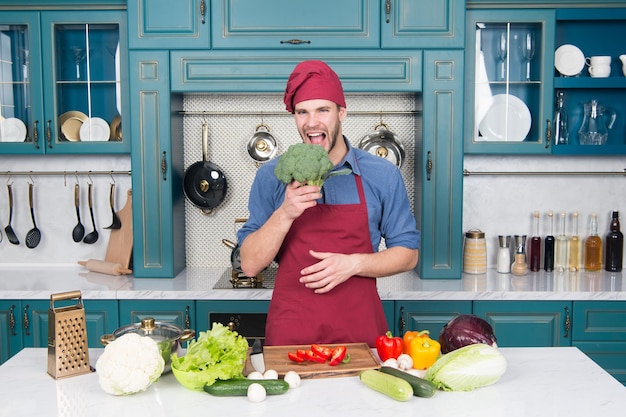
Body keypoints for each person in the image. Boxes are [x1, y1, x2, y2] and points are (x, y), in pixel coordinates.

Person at [237, 60, 420, 347]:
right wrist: (285, 213)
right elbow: (249, 265)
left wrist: (353, 264)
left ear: (341, 113)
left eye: (323, 110)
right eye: (302, 112)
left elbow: (408, 254)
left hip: (361, 333)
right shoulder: (271, 176)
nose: (312, 122)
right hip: (291, 336)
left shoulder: (381, 174)